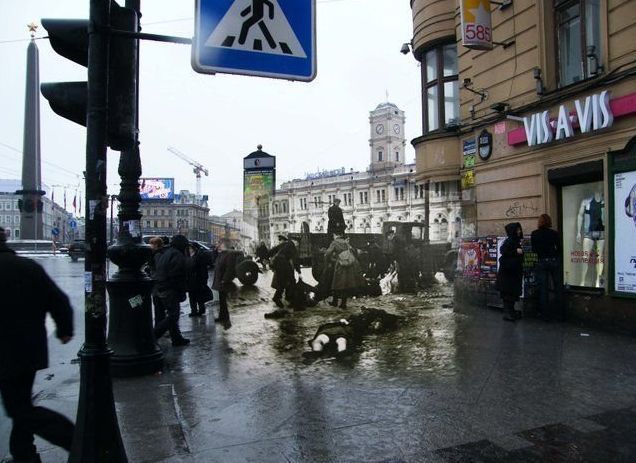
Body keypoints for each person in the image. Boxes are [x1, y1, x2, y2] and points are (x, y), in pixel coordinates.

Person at [0, 227, 75, 463]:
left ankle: (76, 439)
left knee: (20, 409)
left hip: (5, 351)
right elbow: (59, 300)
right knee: (20, 403)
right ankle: (24, 454)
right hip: (28, 350)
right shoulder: (27, 267)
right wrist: (65, 329)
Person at [153, 234, 191, 346]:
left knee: (171, 314)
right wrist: (181, 291)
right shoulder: (177, 255)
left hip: (161, 287)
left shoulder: (167, 252)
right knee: (173, 315)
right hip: (170, 289)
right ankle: (153, 335)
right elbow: (177, 275)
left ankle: (176, 338)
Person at [531, 214, 564, 321]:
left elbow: (534, 249)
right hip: (553, 260)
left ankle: (545, 314)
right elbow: (559, 248)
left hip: (541, 261)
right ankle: (559, 312)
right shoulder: (554, 233)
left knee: (543, 288)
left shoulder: (534, 234)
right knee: (557, 286)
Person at [324, 233, 363, 309]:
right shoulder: (346, 242)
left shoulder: (334, 242)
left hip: (340, 265)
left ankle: (335, 302)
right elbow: (352, 251)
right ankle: (343, 303)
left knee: (336, 283)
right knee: (345, 284)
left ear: (335, 235)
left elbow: (328, 253)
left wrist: (331, 260)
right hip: (348, 265)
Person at [496, 222, 524, 322]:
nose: (519, 231)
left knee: (511, 294)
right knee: (508, 295)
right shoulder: (510, 241)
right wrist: (516, 252)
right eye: (517, 230)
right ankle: (508, 313)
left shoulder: (515, 241)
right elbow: (504, 252)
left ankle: (511, 312)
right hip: (508, 275)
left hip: (511, 274)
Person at [576, 191, 605, 287]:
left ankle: (598, 281)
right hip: (589, 232)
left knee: (599, 257)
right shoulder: (586, 201)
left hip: (602, 232)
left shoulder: (605, 201)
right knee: (585, 257)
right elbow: (580, 216)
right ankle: (582, 281)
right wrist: (578, 232)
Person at [269, 234, 300, 308]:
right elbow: (295, 259)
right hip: (283, 263)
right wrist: (299, 272)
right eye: (297, 243)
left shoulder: (285, 243)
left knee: (282, 282)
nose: (297, 245)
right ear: (295, 241)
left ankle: (279, 297)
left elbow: (273, 250)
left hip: (278, 263)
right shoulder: (292, 245)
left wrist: (267, 257)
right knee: (291, 281)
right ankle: (289, 299)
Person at [211, 239, 235, 330]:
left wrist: (225, 279)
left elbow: (229, 269)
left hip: (224, 281)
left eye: (219, 243)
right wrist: (214, 250)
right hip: (220, 280)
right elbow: (213, 260)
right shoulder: (220, 254)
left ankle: (226, 319)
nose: (217, 245)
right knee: (221, 301)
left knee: (224, 301)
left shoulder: (228, 255)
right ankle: (222, 317)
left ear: (223, 244)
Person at [186, 244, 213, 317]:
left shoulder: (198, 257)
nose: (189, 250)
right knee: (192, 296)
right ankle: (194, 311)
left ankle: (200, 310)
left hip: (197, 280)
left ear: (193, 249)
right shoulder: (190, 257)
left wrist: (204, 280)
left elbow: (202, 269)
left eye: (190, 248)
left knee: (198, 296)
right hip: (191, 280)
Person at [147, 236, 167, 328]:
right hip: (157, 285)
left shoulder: (157, 255)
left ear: (157, 245)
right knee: (158, 307)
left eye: (152, 244)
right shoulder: (155, 254)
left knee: (159, 307)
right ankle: (160, 325)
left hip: (158, 285)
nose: (150, 245)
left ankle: (160, 327)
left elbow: (158, 270)